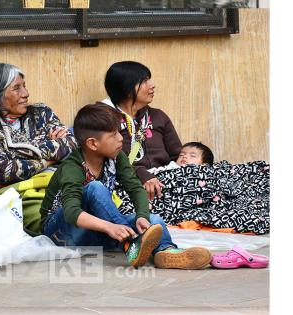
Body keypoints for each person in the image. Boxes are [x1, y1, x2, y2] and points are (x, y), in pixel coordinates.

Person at [40, 103, 211, 269]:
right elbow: (71, 212)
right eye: (113, 135)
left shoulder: (116, 157)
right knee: (95, 187)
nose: (121, 138)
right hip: (61, 232)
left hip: (94, 232)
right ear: (93, 144)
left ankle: (166, 252)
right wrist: (110, 226)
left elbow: (136, 188)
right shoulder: (72, 167)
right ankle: (130, 243)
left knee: (154, 221)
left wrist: (142, 216)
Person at [0, 62, 77, 185]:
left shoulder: (41, 112)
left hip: (63, 180)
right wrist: (48, 160)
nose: (26, 94)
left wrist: (15, 153)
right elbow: (1, 171)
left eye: (24, 86)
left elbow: (71, 143)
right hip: (24, 192)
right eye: (17, 88)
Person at [103, 61, 182, 200]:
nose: (152, 85)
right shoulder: (105, 120)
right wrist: (141, 174)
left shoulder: (158, 116)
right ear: (126, 89)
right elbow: (107, 163)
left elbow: (177, 155)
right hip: (130, 186)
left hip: (167, 181)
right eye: (144, 81)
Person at [148, 141, 215, 174]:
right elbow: (153, 172)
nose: (185, 156)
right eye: (181, 155)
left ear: (204, 165)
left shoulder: (206, 175)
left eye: (192, 156)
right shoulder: (172, 167)